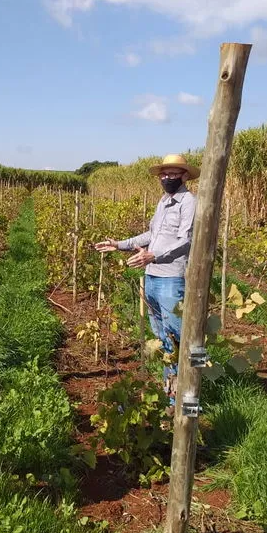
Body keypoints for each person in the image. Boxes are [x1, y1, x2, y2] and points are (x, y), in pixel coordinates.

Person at [95, 154, 199, 407]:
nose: (167, 178)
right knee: (162, 336)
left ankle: (186, 398)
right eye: (164, 174)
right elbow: (151, 234)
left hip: (171, 278)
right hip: (152, 276)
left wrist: (154, 255)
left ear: (185, 175)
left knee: (176, 337)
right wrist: (119, 244)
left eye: (173, 174)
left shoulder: (189, 202)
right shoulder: (164, 201)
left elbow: (186, 240)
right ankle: (170, 391)